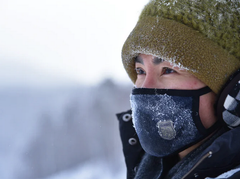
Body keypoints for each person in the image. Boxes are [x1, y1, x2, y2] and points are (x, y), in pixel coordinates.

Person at [116, 0, 240, 178]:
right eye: (140, 71)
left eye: (168, 70)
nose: (146, 88)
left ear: (232, 89)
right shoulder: (147, 169)